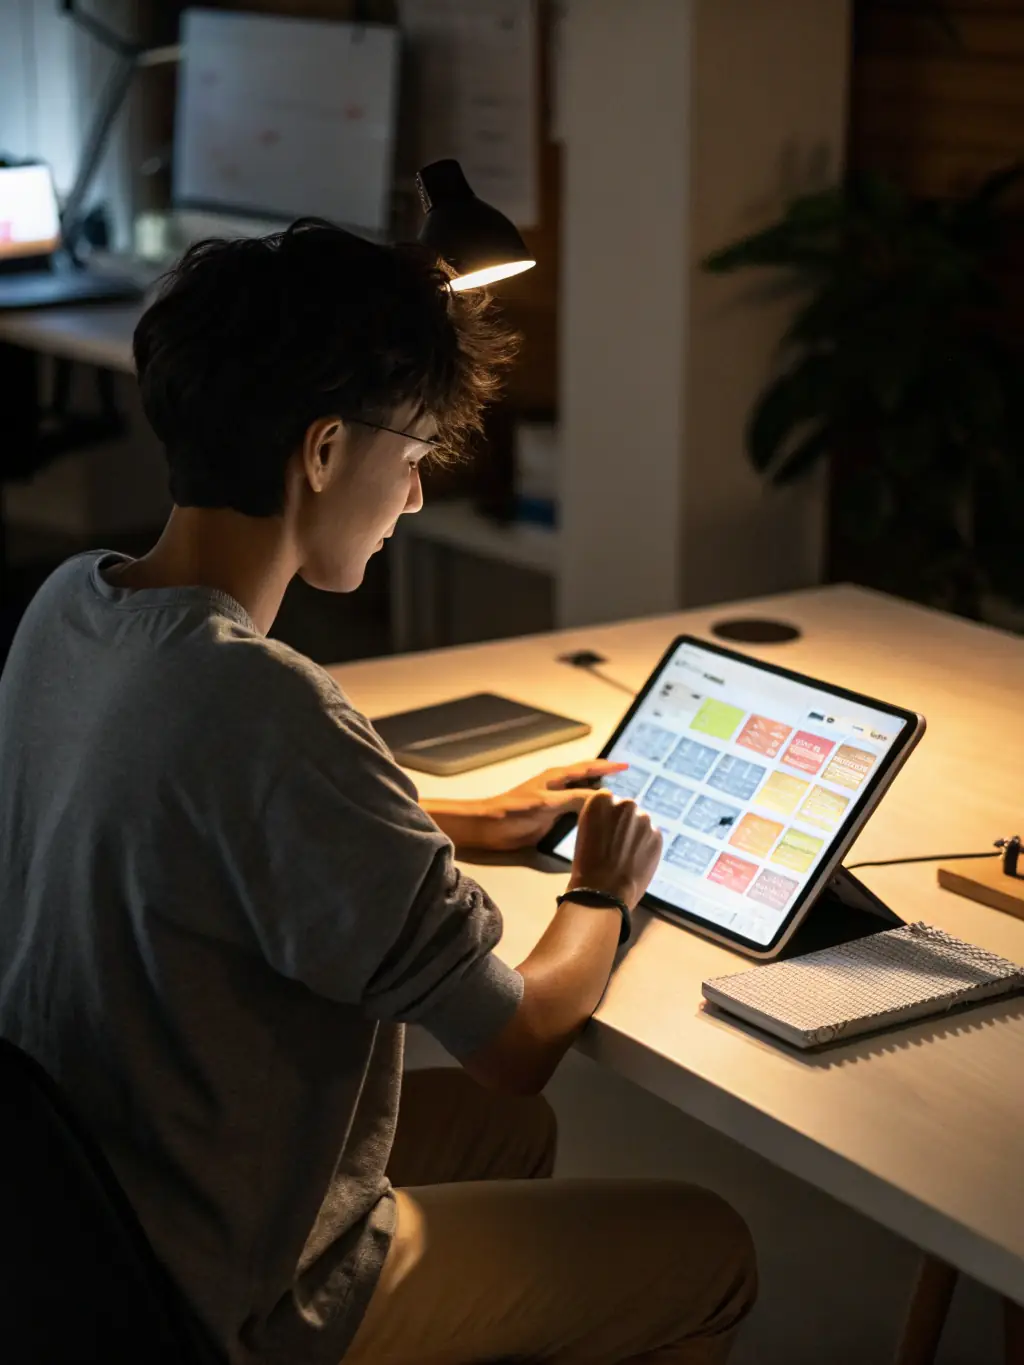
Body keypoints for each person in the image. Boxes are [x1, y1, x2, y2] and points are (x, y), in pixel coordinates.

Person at [0, 220, 756, 1365]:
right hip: (225, 1293)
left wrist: (449, 818)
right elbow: (517, 1038)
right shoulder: (269, 706)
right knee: (706, 1245)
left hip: (85, 1217)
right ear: (319, 452)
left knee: (509, 1140)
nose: (410, 501)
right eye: (411, 458)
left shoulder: (70, 605)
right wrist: (601, 892)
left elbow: (172, 801)